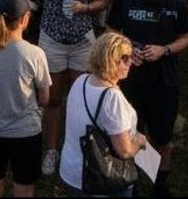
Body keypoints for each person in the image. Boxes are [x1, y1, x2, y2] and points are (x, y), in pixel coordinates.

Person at [107, 0, 188, 199]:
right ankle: (130, 179)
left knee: (162, 136)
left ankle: (159, 182)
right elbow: (111, 30)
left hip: (164, 80)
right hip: (129, 80)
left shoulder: (175, 0)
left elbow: (187, 38)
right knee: (130, 132)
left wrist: (164, 50)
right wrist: (127, 50)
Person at [38, 0, 105, 178]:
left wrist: (86, 8)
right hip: (52, 39)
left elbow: (102, 1)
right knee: (52, 100)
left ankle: (77, 146)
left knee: (78, 98)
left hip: (81, 41)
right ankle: (51, 150)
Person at [0, 0, 51, 199]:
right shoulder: (34, 54)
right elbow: (45, 97)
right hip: (25, 133)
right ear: (25, 19)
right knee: (24, 187)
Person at [59, 31, 148, 198]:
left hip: (71, 172)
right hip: (99, 180)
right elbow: (124, 151)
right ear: (113, 61)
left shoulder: (81, 80)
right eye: (126, 58)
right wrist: (140, 141)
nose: (131, 63)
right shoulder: (112, 98)